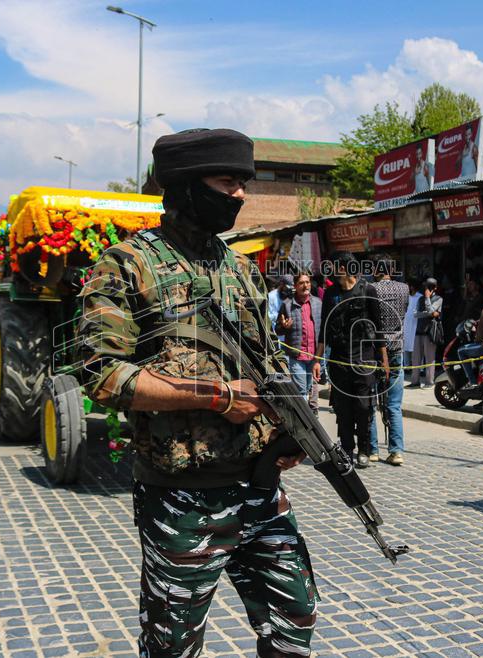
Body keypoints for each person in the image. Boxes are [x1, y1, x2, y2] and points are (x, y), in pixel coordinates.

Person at [76, 128, 317, 657]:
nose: (240, 195)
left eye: (242, 183)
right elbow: (101, 373)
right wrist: (216, 397)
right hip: (182, 496)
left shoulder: (237, 268)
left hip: (259, 486)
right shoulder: (127, 264)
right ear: (186, 187)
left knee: (295, 619)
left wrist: (292, 422)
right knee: (173, 646)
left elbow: (268, 360)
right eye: (227, 181)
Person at [321, 251, 388, 467]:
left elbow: (378, 329)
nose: (331, 270)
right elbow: (324, 326)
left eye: (335, 266)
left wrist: (384, 360)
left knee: (363, 406)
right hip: (339, 359)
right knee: (343, 408)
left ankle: (365, 449)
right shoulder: (330, 293)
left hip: (365, 358)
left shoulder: (368, 290)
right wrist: (316, 360)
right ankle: (347, 449)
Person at [370, 261, 409, 465]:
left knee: (371, 402)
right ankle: (396, 451)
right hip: (397, 350)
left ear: (376, 271)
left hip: (375, 351)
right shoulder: (404, 289)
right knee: (394, 404)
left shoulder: (371, 289)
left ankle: (372, 449)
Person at [275, 272, 322, 415]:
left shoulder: (318, 303)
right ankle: (305, 422)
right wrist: (284, 326)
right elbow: (278, 330)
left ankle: (311, 417)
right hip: (297, 356)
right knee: (301, 390)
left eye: (307, 282)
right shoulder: (287, 305)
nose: (305, 285)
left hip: (315, 355)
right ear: (295, 286)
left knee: (310, 387)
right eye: (301, 283)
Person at [409, 277, 441, 389]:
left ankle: (429, 381)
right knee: (416, 358)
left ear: (435, 288)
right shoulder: (420, 299)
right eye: (426, 287)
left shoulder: (438, 299)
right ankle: (415, 381)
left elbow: (432, 312)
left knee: (430, 358)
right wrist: (428, 313)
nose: (427, 289)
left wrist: (427, 299)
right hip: (419, 330)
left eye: (430, 287)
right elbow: (416, 314)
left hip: (430, 332)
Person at [403, 279, 421, 383]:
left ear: (412, 287)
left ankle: (420, 367)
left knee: (416, 347)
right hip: (406, 323)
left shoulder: (420, 297)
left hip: (415, 324)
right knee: (405, 346)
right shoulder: (406, 297)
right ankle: (406, 366)